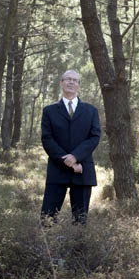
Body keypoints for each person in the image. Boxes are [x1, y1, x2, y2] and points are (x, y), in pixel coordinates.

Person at [40, 70, 101, 224]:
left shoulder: (91, 111)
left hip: (82, 171)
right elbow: (47, 139)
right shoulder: (49, 111)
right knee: (47, 219)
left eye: (75, 80)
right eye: (68, 79)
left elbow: (94, 137)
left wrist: (75, 157)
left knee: (80, 221)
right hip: (57, 171)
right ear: (61, 83)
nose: (71, 82)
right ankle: (46, 241)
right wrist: (69, 162)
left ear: (79, 85)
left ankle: (78, 241)